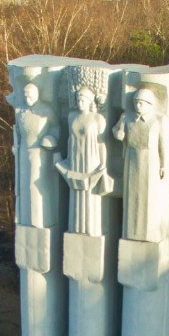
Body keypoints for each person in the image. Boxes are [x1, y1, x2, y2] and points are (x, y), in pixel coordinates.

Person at [113, 87, 166, 242]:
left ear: (150, 104)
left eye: (141, 103)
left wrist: (163, 165)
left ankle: (148, 232)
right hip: (131, 160)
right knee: (132, 195)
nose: (138, 106)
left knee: (148, 197)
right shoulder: (127, 118)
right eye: (136, 103)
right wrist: (118, 134)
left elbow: (163, 145)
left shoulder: (158, 121)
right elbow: (116, 130)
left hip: (150, 162)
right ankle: (131, 232)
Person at [56, 86, 110, 236]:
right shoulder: (72, 116)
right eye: (78, 99)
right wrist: (67, 159)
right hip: (75, 160)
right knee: (76, 195)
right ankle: (76, 229)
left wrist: (103, 163)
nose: (80, 102)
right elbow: (69, 138)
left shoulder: (97, 119)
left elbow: (101, 142)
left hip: (90, 160)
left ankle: (90, 230)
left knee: (90, 194)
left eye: (83, 100)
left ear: (89, 101)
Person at [12, 82, 58, 227]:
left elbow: (56, 127)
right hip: (23, 151)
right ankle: (26, 219)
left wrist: (51, 138)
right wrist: (16, 146)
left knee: (35, 184)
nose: (27, 98)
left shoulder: (45, 110)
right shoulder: (21, 112)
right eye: (25, 96)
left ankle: (40, 220)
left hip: (39, 151)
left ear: (36, 94)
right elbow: (18, 132)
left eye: (30, 95)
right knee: (24, 185)